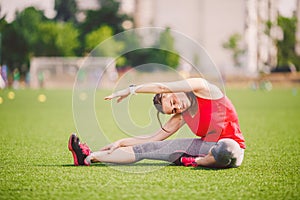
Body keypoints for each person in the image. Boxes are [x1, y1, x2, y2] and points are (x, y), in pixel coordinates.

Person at [68, 77, 245, 168]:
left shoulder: (203, 89)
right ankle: (89, 157)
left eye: (173, 102)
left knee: (225, 149)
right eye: (173, 110)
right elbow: (154, 138)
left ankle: (196, 161)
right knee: (146, 149)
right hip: (204, 146)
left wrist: (130, 90)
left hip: (232, 146)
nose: (178, 107)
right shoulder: (182, 115)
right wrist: (120, 142)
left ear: (172, 92)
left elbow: (161, 87)